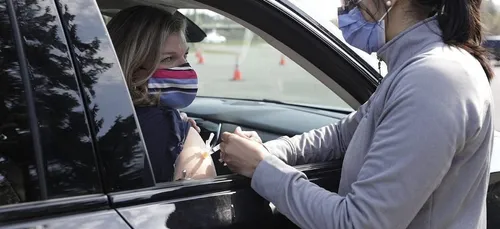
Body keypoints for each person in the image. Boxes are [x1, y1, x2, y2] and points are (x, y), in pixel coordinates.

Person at [219, 0, 494, 228]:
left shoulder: (434, 79)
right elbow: (343, 135)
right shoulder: (417, 66)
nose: (346, 6)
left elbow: (359, 223)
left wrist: (261, 168)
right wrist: (266, 151)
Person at [107, 5, 216, 182]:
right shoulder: (172, 128)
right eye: (168, 59)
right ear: (132, 66)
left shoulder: (85, 112)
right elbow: (202, 202)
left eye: (185, 56)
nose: (186, 68)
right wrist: (181, 131)